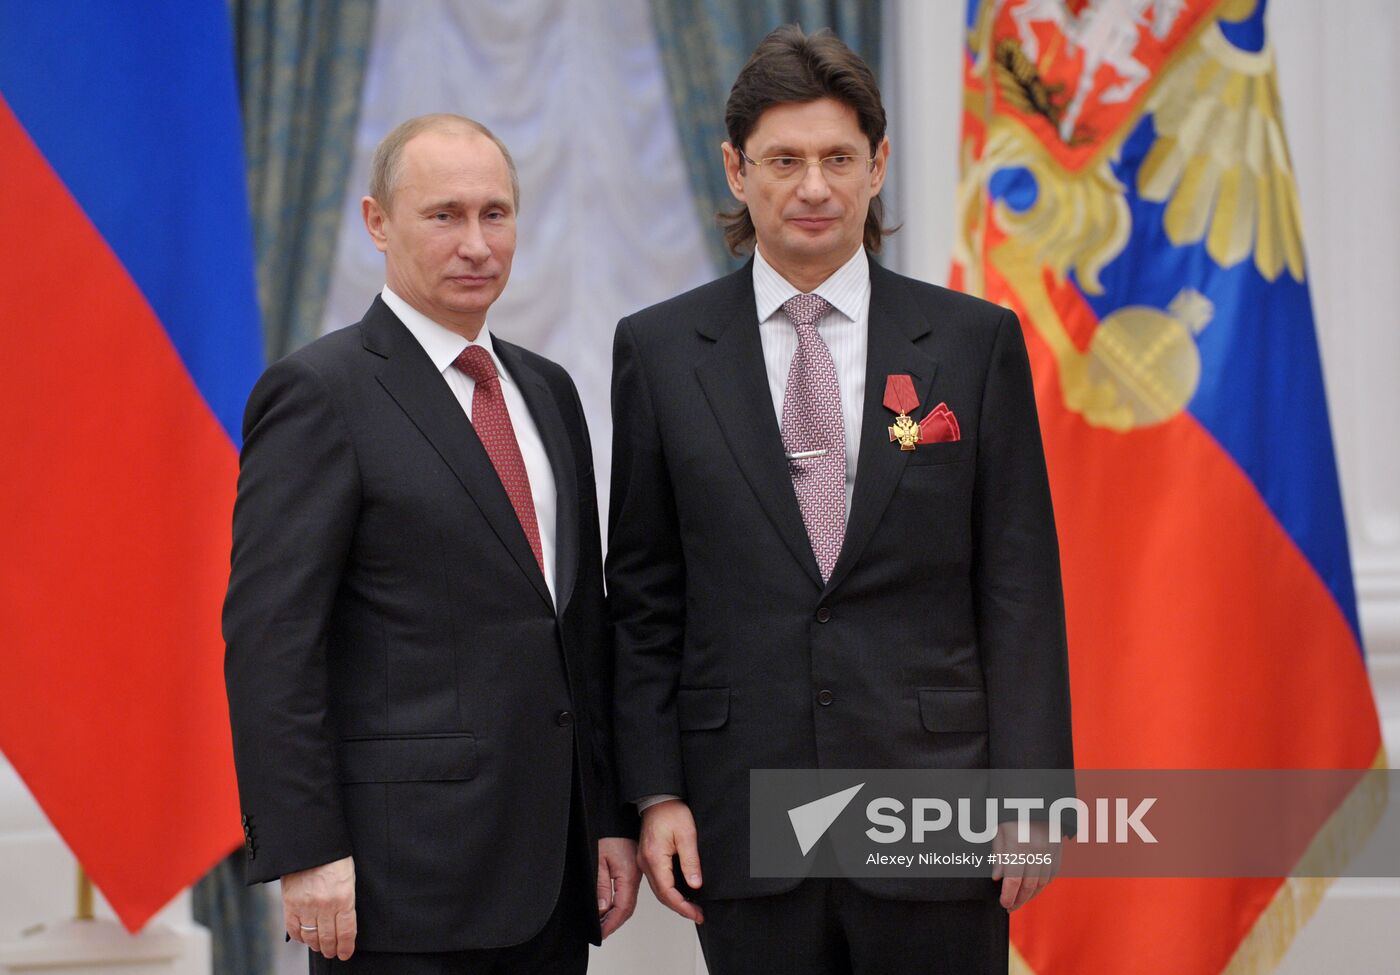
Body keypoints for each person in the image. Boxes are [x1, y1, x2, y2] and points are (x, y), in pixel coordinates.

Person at [607, 26, 1073, 974]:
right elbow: (646, 594)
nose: (812, 186)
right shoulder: (657, 351)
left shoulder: (974, 342)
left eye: (836, 158)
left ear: (878, 167)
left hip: (937, 811)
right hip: (742, 815)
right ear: (737, 172)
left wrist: (1030, 792)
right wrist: (654, 794)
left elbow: (1018, 582)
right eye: (784, 160)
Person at [223, 113, 638, 973]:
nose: (476, 243)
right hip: (393, 887)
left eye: (496, 214)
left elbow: (577, 626)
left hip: (554, 877)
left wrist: (607, 817)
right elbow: (272, 644)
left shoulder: (550, 390)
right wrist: (305, 850)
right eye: (444, 215)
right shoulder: (316, 393)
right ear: (378, 223)